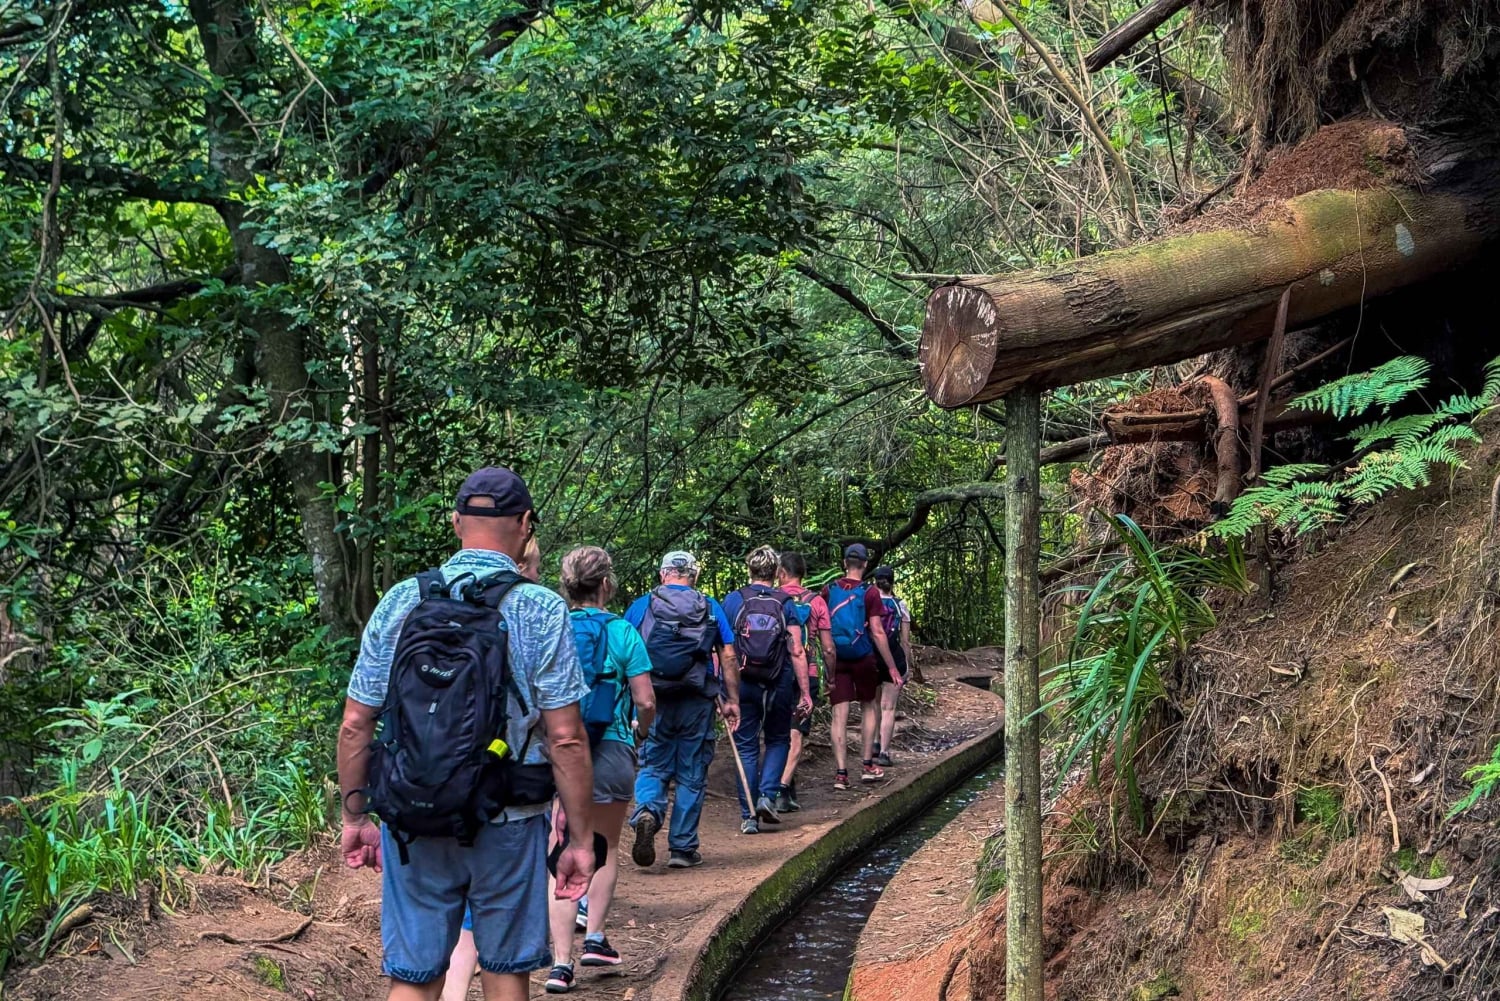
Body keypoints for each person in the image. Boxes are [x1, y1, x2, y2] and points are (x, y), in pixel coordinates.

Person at [339, 466, 596, 1001]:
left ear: (456, 522)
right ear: (526, 525)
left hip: (414, 815)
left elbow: (356, 722)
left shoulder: (402, 599)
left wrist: (355, 815)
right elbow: (566, 738)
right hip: (508, 816)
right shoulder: (541, 607)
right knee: (505, 971)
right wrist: (577, 838)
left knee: (413, 977)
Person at [543, 547, 658, 994]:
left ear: (566, 585)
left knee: (562, 852)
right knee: (604, 845)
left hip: (558, 751)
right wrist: (640, 732)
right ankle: (595, 938)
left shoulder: (552, 630)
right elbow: (645, 701)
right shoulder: (623, 631)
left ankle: (560, 964)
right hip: (611, 748)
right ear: (606, 584)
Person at [625, 551, 740, 869]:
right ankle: (682, 848)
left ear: (663, 575)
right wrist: (732, 700)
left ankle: (647, 811)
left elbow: (623, 653)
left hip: (654, 701)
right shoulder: (710, 607)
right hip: (697, 701)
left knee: (652, 765)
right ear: (693, 575)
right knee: (691, 772)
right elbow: (728, 655)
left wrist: (628, 704)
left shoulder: (641, 607)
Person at [720, 546, 813, 834]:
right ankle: (767, 796)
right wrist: (806, 692)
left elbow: (722, 650)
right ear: (776, 573)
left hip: (743, 682)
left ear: (750, 569)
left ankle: (748, 816)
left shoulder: (734, 600)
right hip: (778, 682)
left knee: (746, 745)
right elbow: (797, 650)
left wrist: (722, 690)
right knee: (777, 739)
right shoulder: (785, 602)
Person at [819, 543, 901, 789]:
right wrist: (893, 666)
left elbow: (822, 631)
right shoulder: (870, 592)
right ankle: (867, 765)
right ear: (865, 565)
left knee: (839, 715)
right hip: (863, 657)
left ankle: (841, 774)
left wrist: (826, 667)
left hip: (837, 658)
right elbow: (877, 631)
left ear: (845, 563)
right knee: (868, 707)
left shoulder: (828, 590)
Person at [774, 552, 826, 813]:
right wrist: (833, 677)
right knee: (796, 732)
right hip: (809, 671)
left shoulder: (772, 599)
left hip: (777, 674)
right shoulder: (816, 602)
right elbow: (828, 647)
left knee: (777, 732)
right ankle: (782, 789)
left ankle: (779, 785)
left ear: (781, 572)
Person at [871, 565, 914, 769]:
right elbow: (905, 641)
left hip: (872, 658)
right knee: (888, 707)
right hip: (894, 659)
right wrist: (907, 665)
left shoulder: (868, 602)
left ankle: (874, 743)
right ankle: (885, 753)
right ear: (892, 582)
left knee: (874, 704)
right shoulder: (900, 605)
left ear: (875, 582)